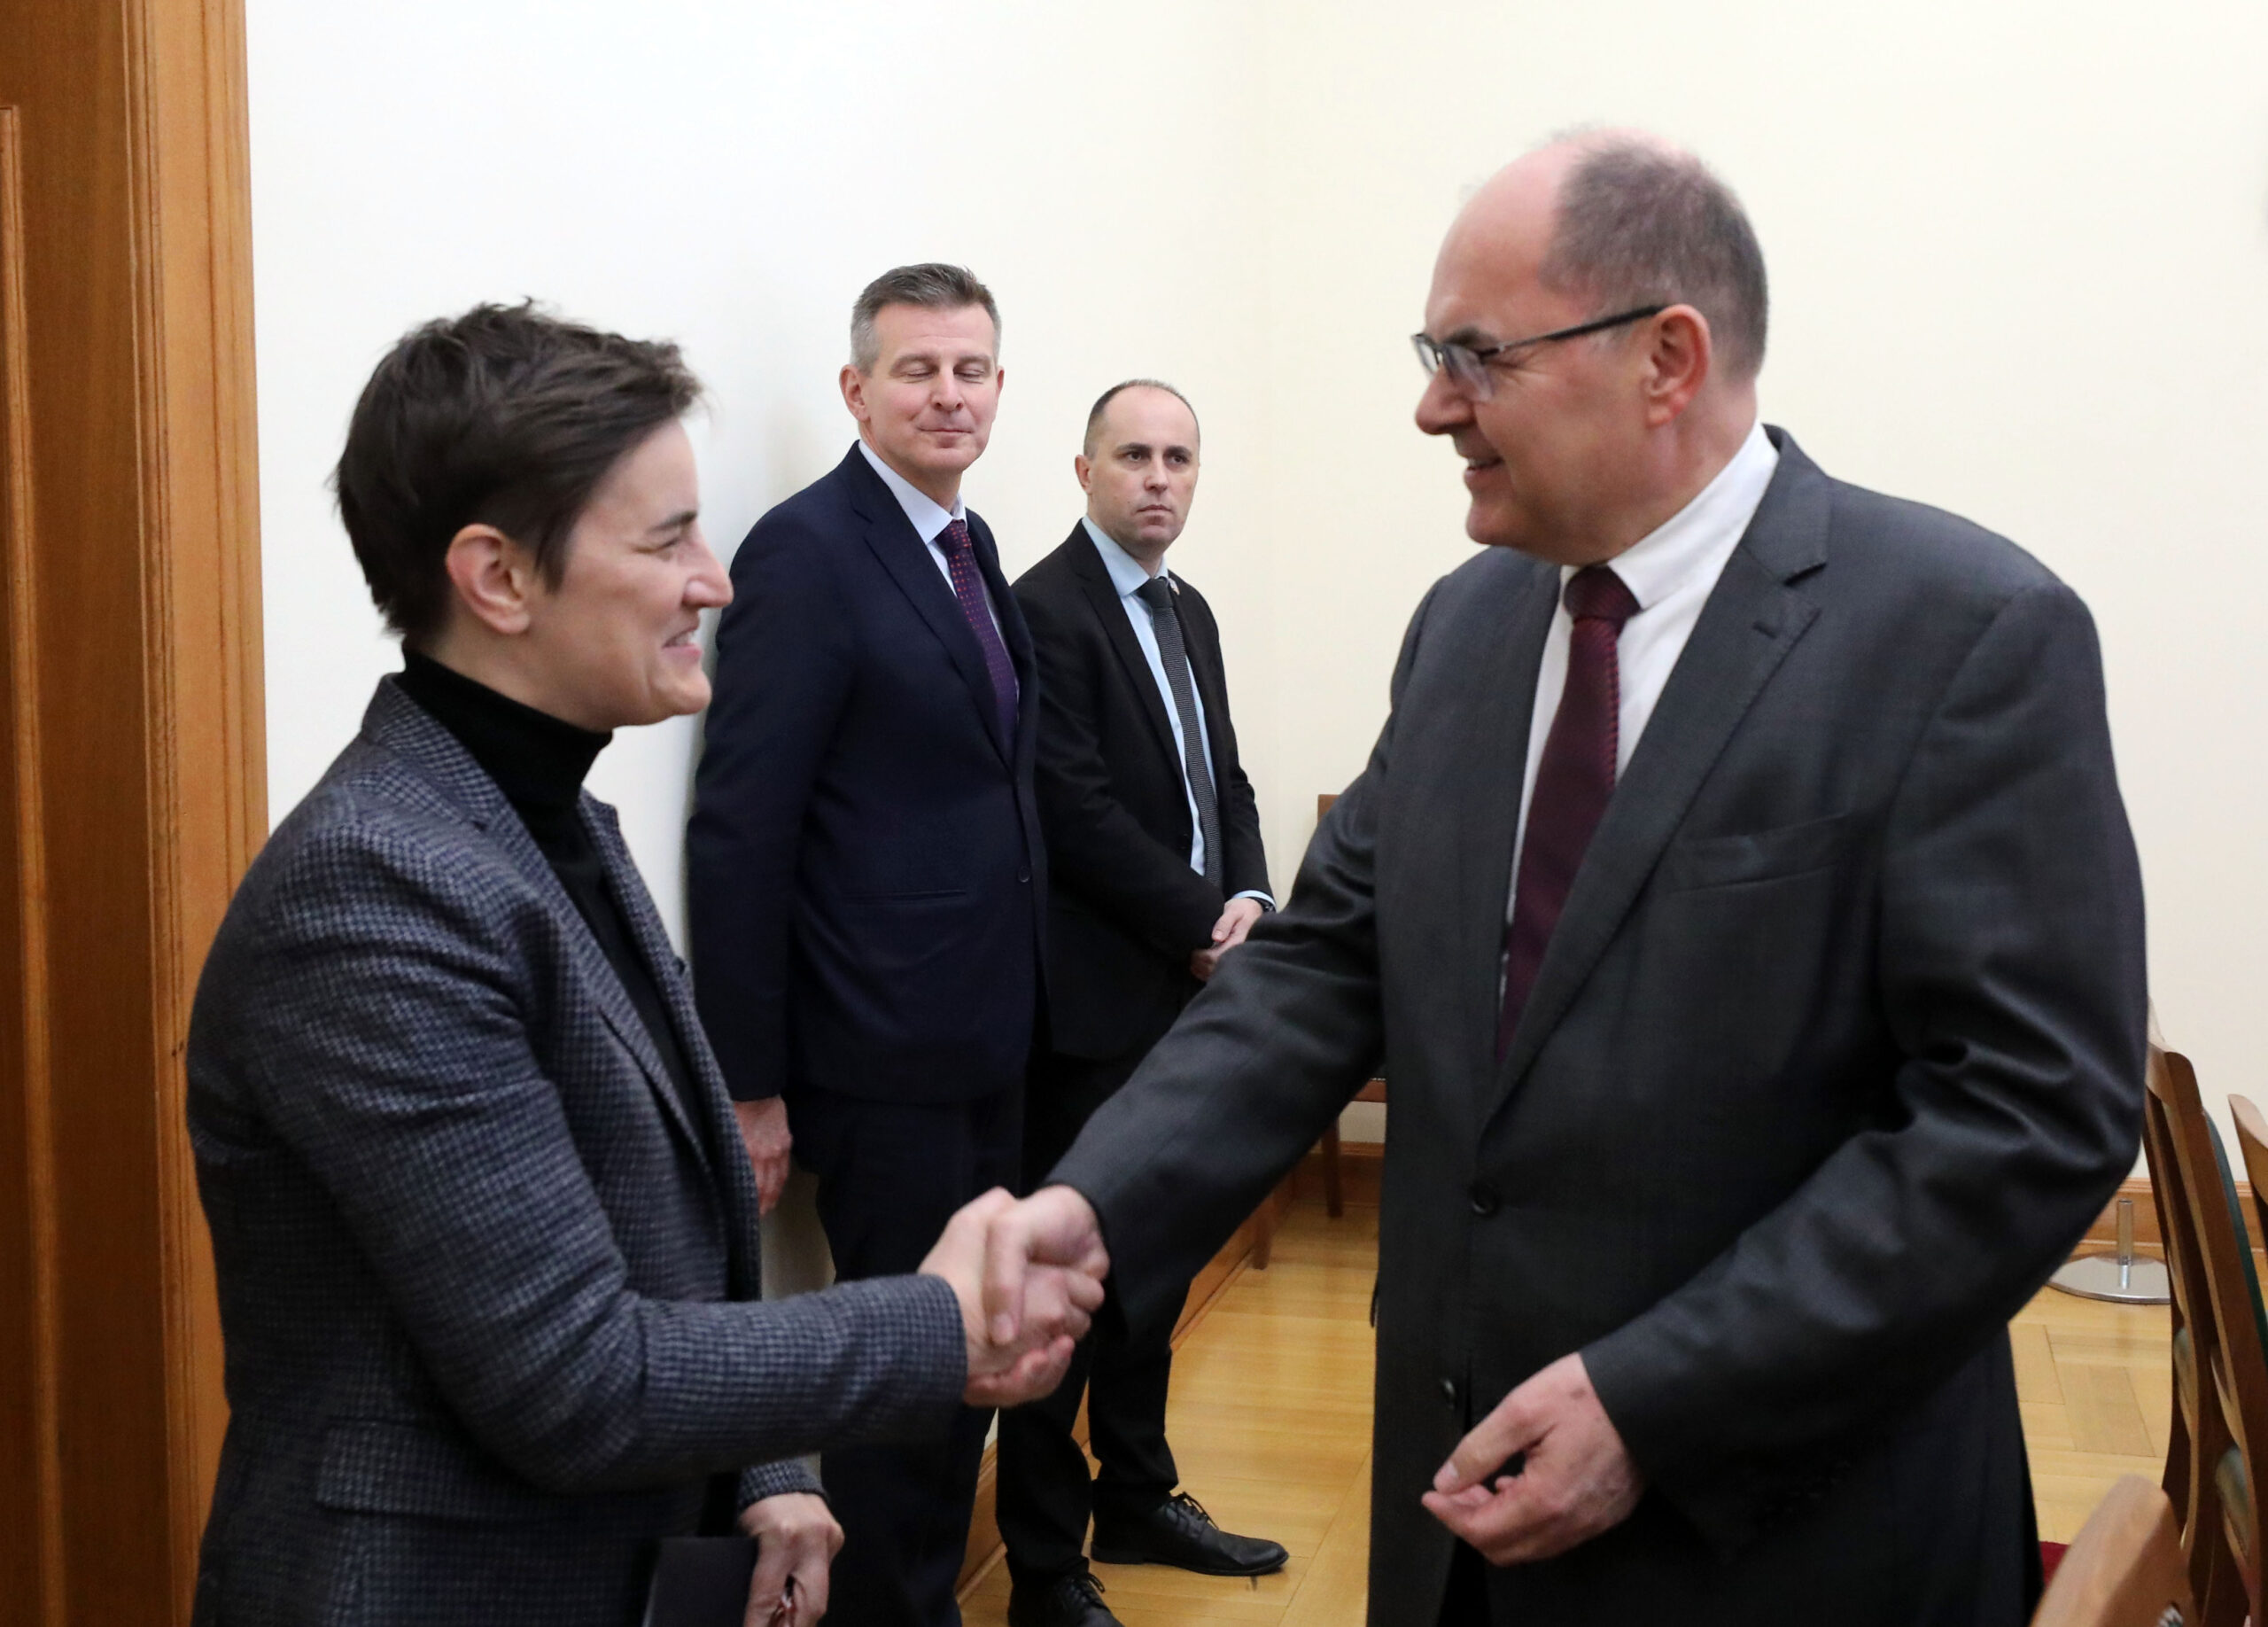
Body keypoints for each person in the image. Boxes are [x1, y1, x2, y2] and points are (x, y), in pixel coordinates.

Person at [978, 132, 2148, 1625]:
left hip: (1784, 1543)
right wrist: (1093, 1207)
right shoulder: (1465, 630)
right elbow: (1325, 969)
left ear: (1667, 358)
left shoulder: (1962, 633)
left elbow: (2028, 1112)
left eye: (1475, 356)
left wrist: (1660, 1402)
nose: (1430, 406)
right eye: (1430, 352)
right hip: (1455, 1519)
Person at [185, 303, 1100, 1627]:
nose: (714, 580)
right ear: (498, 578)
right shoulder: (375, 896)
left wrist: (766, 1470)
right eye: (668, 538)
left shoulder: (553, 830)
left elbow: (658, 1239)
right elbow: (575, 1376)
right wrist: (934, 1324)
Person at [687, 264, 1043, 1625]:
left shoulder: (972, 546)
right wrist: (751, 1080)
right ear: (858, 390)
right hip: (878, 1059)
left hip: (989, 1043)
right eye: (917, 371)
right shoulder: (809, 549)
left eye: (970, 371)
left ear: (1001, 391)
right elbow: (741, 827)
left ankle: (927, 1600)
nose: (947, 394)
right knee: (901, 1379)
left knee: (971, 1361)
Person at [997, 382, 1286, 1626]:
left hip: (1191, 989)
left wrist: (1256, 899)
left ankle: (1141, 1493)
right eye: (1133, 457)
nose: (1157, 478)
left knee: (1154, 1267)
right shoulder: (1040, 612)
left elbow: (1221, 774)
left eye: (1177, 457)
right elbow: (1072, 808)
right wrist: (1193, 927)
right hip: (1098, 1005)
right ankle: (1045, 1566)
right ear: (1083, 470)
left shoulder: (1191, 611)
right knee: (1067, 1288)